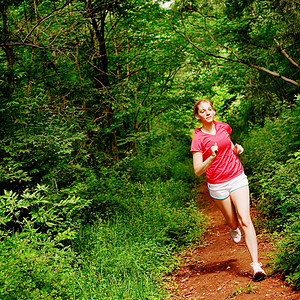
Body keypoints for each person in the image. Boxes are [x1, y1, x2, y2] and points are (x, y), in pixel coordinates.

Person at [190, 99, 266, 282]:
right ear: (197, 116)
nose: (208, 112)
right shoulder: (198, 138)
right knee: (233, 222)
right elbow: (197, 170)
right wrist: (211, 157)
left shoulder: (224, 127)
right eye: (203, 111)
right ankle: (232, 228)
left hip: (237, 176)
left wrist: (236, 148)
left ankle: (256, 266)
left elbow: (229, 145)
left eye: (210, 109)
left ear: (213, 111)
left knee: (245, 219)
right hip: (217, 184)